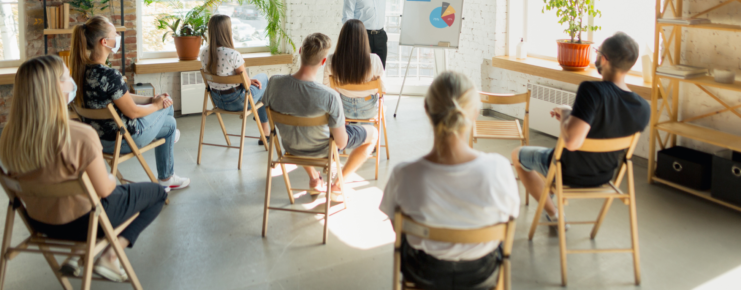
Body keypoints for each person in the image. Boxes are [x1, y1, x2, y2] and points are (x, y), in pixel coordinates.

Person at [0, 55, 167, 282]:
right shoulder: (79, 135)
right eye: (67, 78)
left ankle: (78, 254)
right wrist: (108, 177)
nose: (72, 83)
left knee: (83, 196)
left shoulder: (10, 137)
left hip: (41, 222)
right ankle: (109, 255)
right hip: (83, 224)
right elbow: (106, 189)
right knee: (157, 193)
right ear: (55, 88)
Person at [379, 71, 520, 290]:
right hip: (481, 272)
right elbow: (510, 217)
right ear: (474, 113)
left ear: (427, 108)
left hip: (424, 271)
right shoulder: (499, 168)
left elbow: (398, 228)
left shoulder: (403, 174)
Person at [511, 32, 651, 228]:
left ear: (604, 59)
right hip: (604, 175)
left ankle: (554, 213)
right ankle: (549, 194)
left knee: (517, 155)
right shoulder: (643, 107)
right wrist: (571, 115)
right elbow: (607, 127)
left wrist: (567, 114)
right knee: (546, 160)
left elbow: (572, 142)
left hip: (568, 172)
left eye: (597, 52)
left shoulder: (592, 90)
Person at [70, 15, 190, 190]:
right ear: (104, 42)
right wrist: (157, 104)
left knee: (166, 114)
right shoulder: (110, 75)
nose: (117, 36)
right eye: (114, 34)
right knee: (169, 115)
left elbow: (122, 97)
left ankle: (169, 141)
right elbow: (132, 112)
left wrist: (151, 99)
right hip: (123, 139)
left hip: (98, 140)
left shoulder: (82, 71)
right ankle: (166, 176)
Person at [262, 32, 378, 196]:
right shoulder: (329, 96)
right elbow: (341, 142)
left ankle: (315, 178)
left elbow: (265, 109)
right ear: (323, 61)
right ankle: (338, 184)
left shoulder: (274, 82)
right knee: (373, 134)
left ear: (300, 51)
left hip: (291, 147)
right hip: (323, 150)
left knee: (299, 132)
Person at [342, 0, 430, 68]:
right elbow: (347, 18)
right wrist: (352, 38)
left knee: (380, 69)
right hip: (362, 36)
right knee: (361, 69)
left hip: (380, 36)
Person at [200, 14, 270, 143]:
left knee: (259, 88)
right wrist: (249, 81)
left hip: (217, 102)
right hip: (238, 103)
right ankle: (265, 132)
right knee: (264, 79)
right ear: (226, 31)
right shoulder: (233, 54)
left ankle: (264, 131)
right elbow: (247, 86)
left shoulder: (204, 52)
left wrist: (249, 80)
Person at [323, 19, 386, 120]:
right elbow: (383, 90)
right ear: (364, 39)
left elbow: (327, 88)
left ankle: (349, 128)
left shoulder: (332, 59)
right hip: (368, 110)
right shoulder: (374, 59)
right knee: (382, 101)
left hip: (342, 110)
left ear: (342, 38)